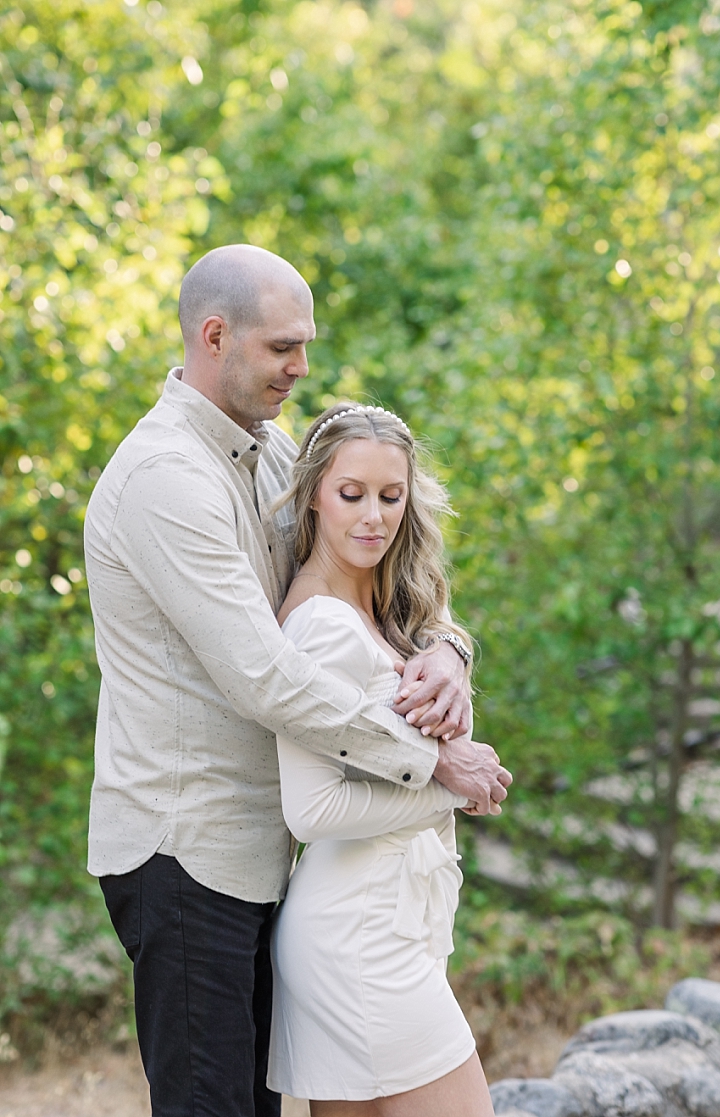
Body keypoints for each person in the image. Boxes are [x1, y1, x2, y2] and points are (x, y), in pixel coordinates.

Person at [84, 244, 510, 1117]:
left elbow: (368, 571)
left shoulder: (272, 455)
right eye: (283, 347)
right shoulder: (167, 478)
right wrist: (434, 767)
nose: (301, 367)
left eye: (303, 345)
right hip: (187, 848)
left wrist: (451, 649)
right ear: (215, 336)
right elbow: (264, 676)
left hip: (272, 858)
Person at [267, 403, 491, 1115]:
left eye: (390, 496)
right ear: (312, 497)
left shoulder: (381, 613)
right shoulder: (324, 627)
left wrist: (452, 652)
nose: (373, 516)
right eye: (351, 494)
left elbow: (433, 642)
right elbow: (312, 807)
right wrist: (448, 786)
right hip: (359, 940)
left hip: (379, 925)